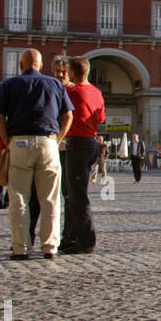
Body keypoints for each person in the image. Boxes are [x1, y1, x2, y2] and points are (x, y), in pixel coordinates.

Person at [0, 51, 73, 258]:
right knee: (50, 198)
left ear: (21, 64)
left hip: (20, 142)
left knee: (19, 197)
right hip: (48, 142)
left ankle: (20, 247)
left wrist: (8, 141)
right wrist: (58, 139)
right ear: (41, 65)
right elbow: (68, 116)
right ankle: (50, 247)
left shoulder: (10, 84)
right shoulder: (55, 85)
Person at [59, 56, 105, 254]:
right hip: (92, 143)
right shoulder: (96, 92)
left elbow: (60, 113)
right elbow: (101, 118)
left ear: (72, 73)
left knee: (76, 195)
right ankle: (73, 235)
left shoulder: (71, 92)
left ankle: (86, 239)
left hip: (76, 143)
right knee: (77, 192)